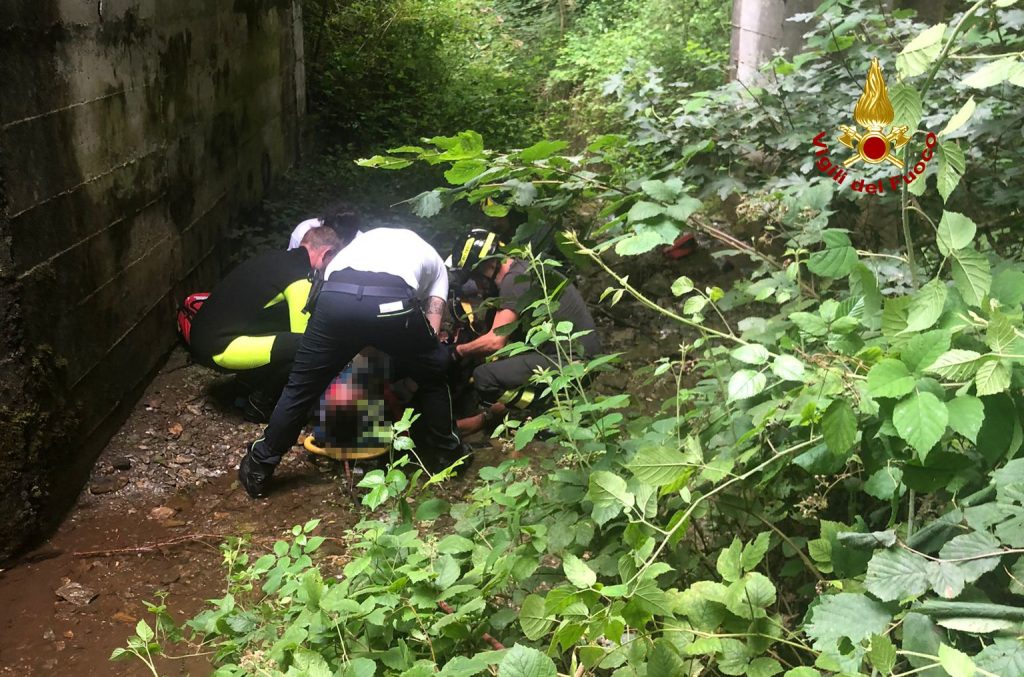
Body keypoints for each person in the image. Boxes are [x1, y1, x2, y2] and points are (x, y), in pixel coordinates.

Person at [238, 228, 466, 498]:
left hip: (335, 298)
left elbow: (338, 302)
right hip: (392, 303)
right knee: (433, 373)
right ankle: (448, 455)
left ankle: (259, 465)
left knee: (300, 387)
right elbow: (432, 328)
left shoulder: (359, 245)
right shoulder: (437, 267)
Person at [448, 229, 602, 434]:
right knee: (499, 362)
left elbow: (495, 342)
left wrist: (457, 351)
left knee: (484, 376)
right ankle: (545, 405)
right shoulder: (522, 270)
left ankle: (541, 411)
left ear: (490, 265)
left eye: (475, 277)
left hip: (573, 362)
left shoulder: (513, 282)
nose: (476, 285)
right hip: (581, 357)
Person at [187, 226, 346, 421]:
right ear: (326, 253)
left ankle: (246, 384)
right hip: (219, 350)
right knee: (307, 346)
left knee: (283, 325)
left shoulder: (273, 258)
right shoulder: (300, 277)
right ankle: (259, 404)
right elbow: (306, 336)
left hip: (200, 336)